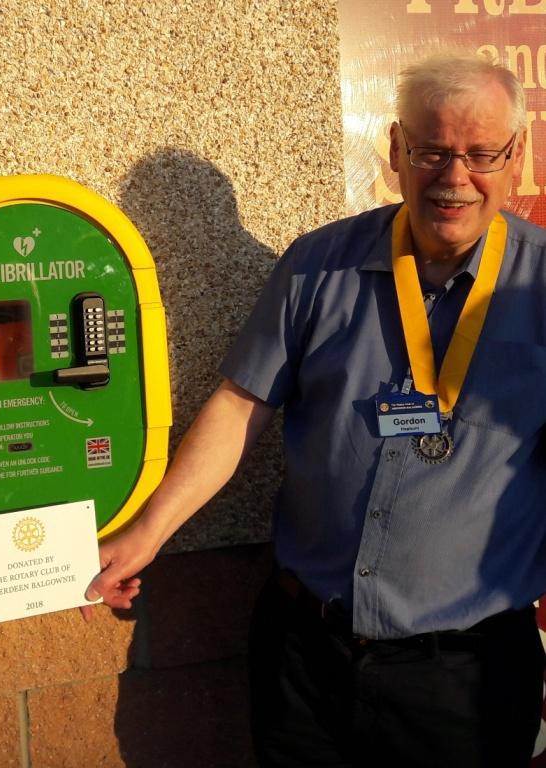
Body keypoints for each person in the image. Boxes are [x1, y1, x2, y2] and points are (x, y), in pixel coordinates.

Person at [87, 51, 546, 767]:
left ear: (517, 157)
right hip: (305, 655)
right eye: (431, 151)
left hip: (465, 677)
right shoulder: (315, 265)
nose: (455, 179)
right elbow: (241, 405)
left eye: (482, 154)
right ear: (395, 148)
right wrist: (146, 534)